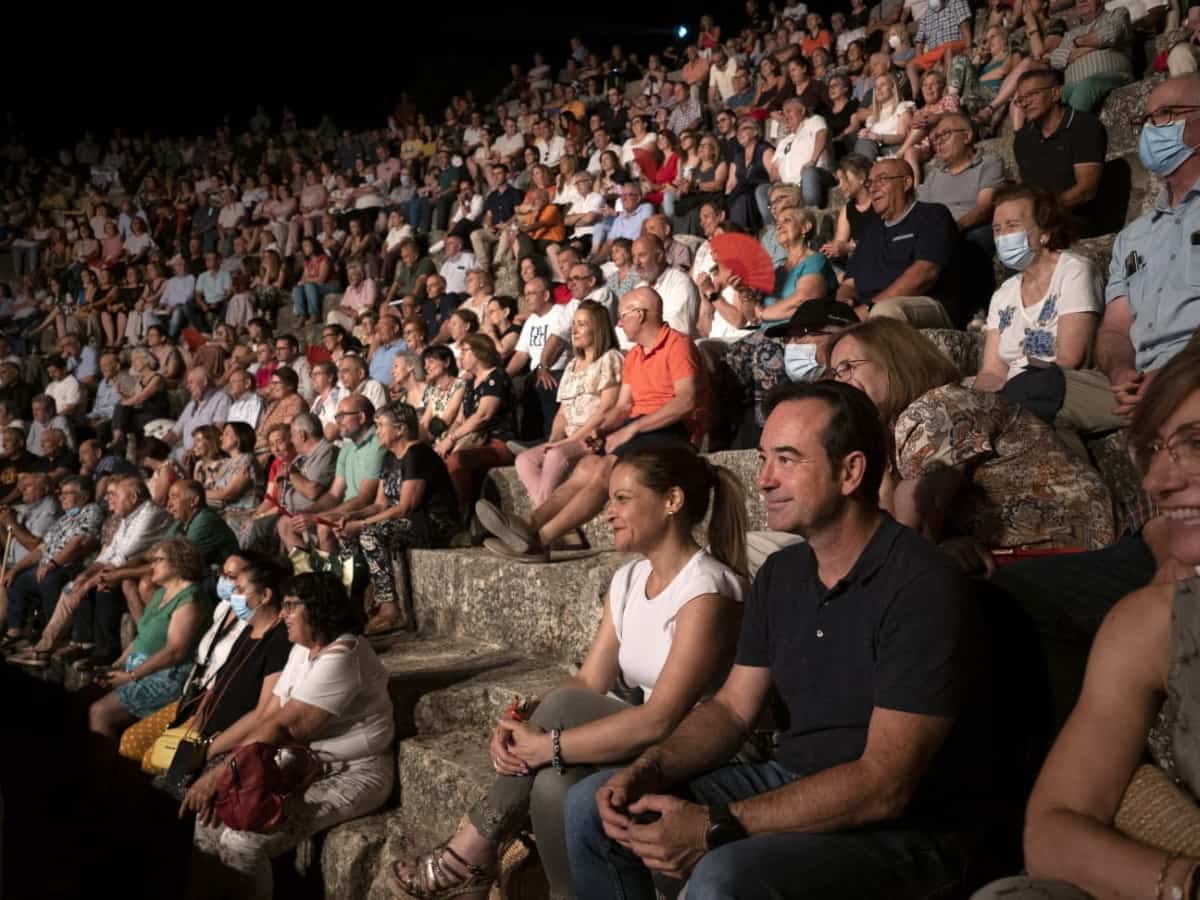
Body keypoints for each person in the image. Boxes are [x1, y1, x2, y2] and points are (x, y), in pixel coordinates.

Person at [564, 380, 984, 900]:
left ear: (850, 471)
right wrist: (648, 769)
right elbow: (732, 711)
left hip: (904, 829)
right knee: (592, 806)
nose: (763, 479)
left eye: (787, 459)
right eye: (764, 458)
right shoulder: (783, 573)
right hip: (790, 778)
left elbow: (885, 783)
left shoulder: (922, 584)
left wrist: (718, 824)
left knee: (726, 876)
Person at [394, 445, 749, 900]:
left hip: (698, 749)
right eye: (609, 500)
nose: (607, 514)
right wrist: (528, 720)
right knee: (552, 781)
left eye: (622, 499)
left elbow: (662, 718)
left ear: (672, 501)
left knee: (556, 735)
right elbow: (587, 682)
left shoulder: (708, 588)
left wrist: (549, 742)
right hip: (645, 739)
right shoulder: (628, 580)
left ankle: (468, 854)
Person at [972, 347, 1200, 900]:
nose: (1157, 481)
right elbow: (1052, 829)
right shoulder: (1151, 622)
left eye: (1196, 444)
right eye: (1153, 451)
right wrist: (1184, 885)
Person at [829, 318, 1114, 570]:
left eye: (847, 368)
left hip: (1065, 558)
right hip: (1016, 559)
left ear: (893, 360)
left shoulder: (938, 408)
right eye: (834, 374)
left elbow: (907, 539)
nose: (840, 383)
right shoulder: (893, 431)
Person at [184, 573, 394, 900]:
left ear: (319, 609)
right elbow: (268, 716)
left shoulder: (343, 655)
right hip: (299, 763)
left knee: (242, 842)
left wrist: (220, 775)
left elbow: (286, 727)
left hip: (353, 772)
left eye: (291, 606)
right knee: (209, 819)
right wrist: (219, 761)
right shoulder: (301, 650)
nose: (283, 614)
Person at [476, 287, 707, 562]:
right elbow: (622, 406)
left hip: (673, 431)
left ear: (640, 315)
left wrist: (632, 429)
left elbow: (686, 401)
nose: (619, 323)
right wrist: (603, 429)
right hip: (642, 428)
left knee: (605, 470)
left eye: (623, 316)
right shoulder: (634, 356)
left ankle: (542, 540)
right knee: (585, 467)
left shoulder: (677, 344)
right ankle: (529, 523)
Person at [974, 184, 1124, 453]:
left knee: (1024, 395)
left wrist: (1012, 378)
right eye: (997, 229)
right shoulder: (1003, 294)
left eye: (1012, 225)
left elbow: (1070, 357)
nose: (1002, 236)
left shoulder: (1074, 271)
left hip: (1068, 381)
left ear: (1044, 233)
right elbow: (990, 370)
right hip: (1020, 390)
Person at [1096, 74, 1200, 421]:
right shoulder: (1132, 237)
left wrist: (1173, 377)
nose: (1150, 129)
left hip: (1191, 373)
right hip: (1138, 382)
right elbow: (1114, 328)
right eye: (1146, 119)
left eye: (1166, 113)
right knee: (1033, 394)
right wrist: (1120, 371)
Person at [335, 403, 459, 634]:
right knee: (346, 537)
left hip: (433, 523)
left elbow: (405, 507)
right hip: (407, 520)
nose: (378, 431)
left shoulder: (417, 454)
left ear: (400, 429)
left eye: (381, 425)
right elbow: (380, 504)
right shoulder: (390, 457)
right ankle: (352, 604)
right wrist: (350, 517)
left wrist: (361, 525)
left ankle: (389, 608)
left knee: (369, 533)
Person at [86, 538, 207, 739]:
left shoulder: (190, 599)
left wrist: (132, 676)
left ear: (178, 562)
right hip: (142, 668)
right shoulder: (161, 593)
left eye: (158, 560)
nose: (152, 566)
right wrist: (117, 665)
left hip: (167, 676)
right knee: (88, 694)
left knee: (100, 712)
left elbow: (175, 652)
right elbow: (143, 637)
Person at [515, 301, 624, 508]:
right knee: (524, 460)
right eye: (574, 324)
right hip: (570, 439)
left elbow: (606, 409)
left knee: (555, 456)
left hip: (595, 438)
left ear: (598, 328)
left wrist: (569, 441)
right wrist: (554, 439)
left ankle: (538, 518)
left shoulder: (610, 358)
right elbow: (563, 413)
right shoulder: (572, 365)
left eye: (582, 324)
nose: (574, 330)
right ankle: (554, 519)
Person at [837, 158, 962, 327]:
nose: (873, 189)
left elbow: (925, 274)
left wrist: (869, 307)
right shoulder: (870, 232)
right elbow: (849, 283)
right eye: (870, 183)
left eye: (882, 180)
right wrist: (843, 303)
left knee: (883, 313)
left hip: (924, 302)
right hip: (870, 308)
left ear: (906, 182)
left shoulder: (933, 215)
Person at [1, 476, 104, 647]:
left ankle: (56, 638)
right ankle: (16, 633)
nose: (61, 497)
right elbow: (42, 548)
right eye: (61, 493)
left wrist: (53, 563)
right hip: (51, 565)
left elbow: (78, 542)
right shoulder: (64, 518)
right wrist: (16, 568)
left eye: (66, 494)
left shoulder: (91, 510)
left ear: (84, 496)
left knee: (49, 580)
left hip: (73, 565)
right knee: (17, 579)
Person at [278, 395, 385, 557]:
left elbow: (365, 498)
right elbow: (334, 494)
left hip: (364, 512)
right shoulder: (347, 447)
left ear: (361, 417)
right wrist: (306, 512)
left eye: (342, 415)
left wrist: (317, 517)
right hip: (345, 508)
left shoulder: (377, 444)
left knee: (324, 526)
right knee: (286, 523)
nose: (337, 421)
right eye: (337, 416)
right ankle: (308, 573)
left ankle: (329, 579)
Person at [1011, 69, 1108, 238]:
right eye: (1020, 100)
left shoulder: (1084, 126)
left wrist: (1042, 214)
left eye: (1032, 94)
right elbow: (1024, 186)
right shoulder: (1023, 138)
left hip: (1075, 220)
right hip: (1037, 222)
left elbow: (1086, 190)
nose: (1025, 103)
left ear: (1055, 93)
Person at [438, 334, 518, 509]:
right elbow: (460, 419)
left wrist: (451, 439)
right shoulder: (470, 383)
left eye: (465, 351)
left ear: (480, 352)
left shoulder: (496, 377)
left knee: (457, 460)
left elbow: (483, 416)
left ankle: (463, 512)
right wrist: (444, 441)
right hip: (473, 440)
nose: (460, 356)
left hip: (498, 442)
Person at [916, 113, 1004, 254]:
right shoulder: (934, 175)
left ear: (967, 136)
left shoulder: (988, 163)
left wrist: (953, 228)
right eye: (936, 138)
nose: (938, 142)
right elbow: (920, 214)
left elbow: (985, 208)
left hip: (967, 230)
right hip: (935, 234)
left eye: (945, 134)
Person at [508, 277, 573, 441]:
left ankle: (550, 439)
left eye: (531, 293)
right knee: (512, 387)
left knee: (544, 385)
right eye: (525, 294)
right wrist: (504, 375)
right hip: (536, 373)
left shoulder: (561, 313)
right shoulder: (531, 320)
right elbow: (522, 354)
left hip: (559, 371)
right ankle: (526, 440)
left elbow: (560, 343)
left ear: (545, 295)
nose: (527, 298)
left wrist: (544, 368)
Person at [1047, 0, 1132, 113]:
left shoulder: (1117, 14)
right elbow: (1055, 59)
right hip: (1073, 85)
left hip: (1114, 76)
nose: (1081, 1)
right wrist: (1097, 45)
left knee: (1085, 87)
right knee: (1047, 98)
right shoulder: (1070, 34)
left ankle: (1073, 130)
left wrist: (1077, 43)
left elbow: (1112, 34)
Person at [757, 207, 839, 323]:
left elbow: (805, 299)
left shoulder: (815, 260)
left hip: (796, 333)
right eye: (777, 223)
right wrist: (745, 294)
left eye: (787, 220)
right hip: (765, 334)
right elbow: (752, 315)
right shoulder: (777, 271)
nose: (779, 226)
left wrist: (764, 313)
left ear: (805, 227)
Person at [767, 98, 834, 213]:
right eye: (783, 113)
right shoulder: (784, 141)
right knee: (762, 190)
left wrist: (812, 161)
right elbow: (774, 170)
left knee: (809, 172)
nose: (785, 116)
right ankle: (775, 226)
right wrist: (778, 185)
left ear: (802, 111)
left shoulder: (813, 121)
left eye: (789, 111)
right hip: (790, 187)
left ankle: (810, 213)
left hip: (814, 175)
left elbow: (822, 134)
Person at [633, 235, 700, 339]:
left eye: (642, 255)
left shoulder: (680, 282)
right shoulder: (638, 288)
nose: (636, 263)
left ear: (659, 256)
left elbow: (679, 328)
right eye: (634, 256)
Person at [168, 367, 231, 463]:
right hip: (185, 452)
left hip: (203, 454)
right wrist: (159, 445)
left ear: (205, 382)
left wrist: (193, 449)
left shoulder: (221, 398)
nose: (187, 386)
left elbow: (216, 430)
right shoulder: (192, 403)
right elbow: (175, 433)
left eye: (191, 382)